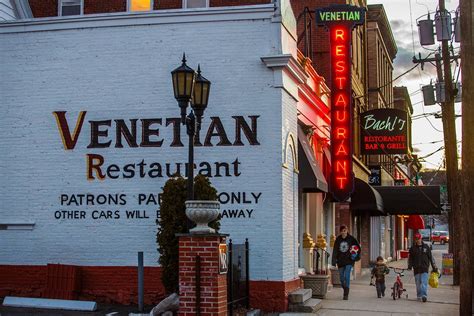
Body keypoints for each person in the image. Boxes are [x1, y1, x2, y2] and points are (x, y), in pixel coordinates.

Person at [331, 225, 361, 300]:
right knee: (341, 278)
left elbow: (358, 247)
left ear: (347, 231)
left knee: (347, 275)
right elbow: (335, 250)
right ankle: (345, 288)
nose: (344, 232)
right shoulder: (338, 239)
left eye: (345, 230)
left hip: (349, 260)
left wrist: (356, 257)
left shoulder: (351, 238)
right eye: (342, 231)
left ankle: (346, 294)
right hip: (340, 261)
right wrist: (334, 261)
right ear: (340, 232)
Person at [408, 232, 438, 302]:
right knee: (418, 284)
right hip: (416, 269)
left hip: (424, 268)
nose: (417, 240)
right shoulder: (412, 248)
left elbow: (431, 257)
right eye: (416, 239)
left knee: (424, 283)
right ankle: (419, 295)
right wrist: (409, 266)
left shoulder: (426, 247)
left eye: (418, 239)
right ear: (415, 239)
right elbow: (410, 259)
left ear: (421, 238)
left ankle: (424, 295)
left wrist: (434, 267)